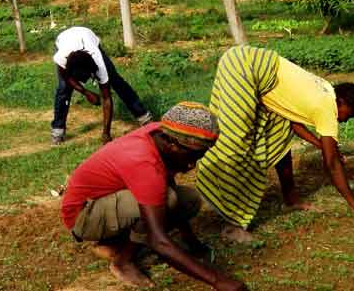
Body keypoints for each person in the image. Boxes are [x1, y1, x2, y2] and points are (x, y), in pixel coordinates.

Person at [196, 45, 354, 242]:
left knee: (279, 131)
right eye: (347, 116)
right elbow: (332, 164)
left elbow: (293, 122)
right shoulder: (327, 108)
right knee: (236, 142)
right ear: (342, 102)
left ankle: (291, 199)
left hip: (254, 67)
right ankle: (231, 221)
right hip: (243, 66)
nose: (343, 121)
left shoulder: (326, 88)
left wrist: (320, 144)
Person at [61, 102, 247, 291]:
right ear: (173, 145)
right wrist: (218, 281)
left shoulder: (161, 133)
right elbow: (158, 240)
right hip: (82, 216)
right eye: (195, 155)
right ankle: (123, 262)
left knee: (188, 200)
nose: (193, 164)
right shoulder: (143, 162)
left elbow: (167, 181)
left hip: (106, 200)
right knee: (167, 200)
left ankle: (113, 242)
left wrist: (191, 241)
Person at [51, 26, 151, 145]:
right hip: (64, 38)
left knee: (115, 80)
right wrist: (86, 92)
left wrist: (106, 133)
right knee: (63, 89)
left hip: (88, 36)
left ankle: (143, 116)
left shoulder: (99, 63)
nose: (86, 80)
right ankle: (58, 131)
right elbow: (66, 78)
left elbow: (106, 98)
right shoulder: (62, 58)